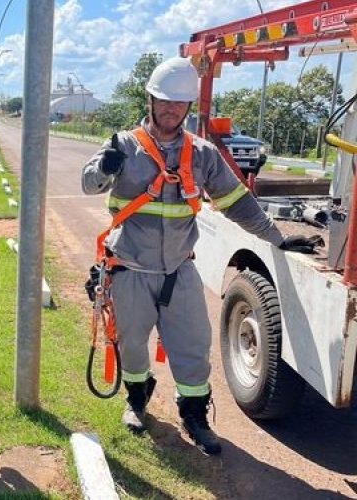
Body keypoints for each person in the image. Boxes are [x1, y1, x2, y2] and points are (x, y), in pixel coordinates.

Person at [81, 57, 320, 455]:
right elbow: (90, 183)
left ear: (189, 107)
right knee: (132, 346)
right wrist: (104, 167)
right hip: (128, 270)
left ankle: (193, 413)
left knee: (193, 348)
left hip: (179, 271)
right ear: (151, 99)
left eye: (179, 103)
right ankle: (137, 398)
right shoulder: (123, 145)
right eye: (164, 101)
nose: (171, 109)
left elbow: (238, 203)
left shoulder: (203, 154)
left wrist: (277, 237)